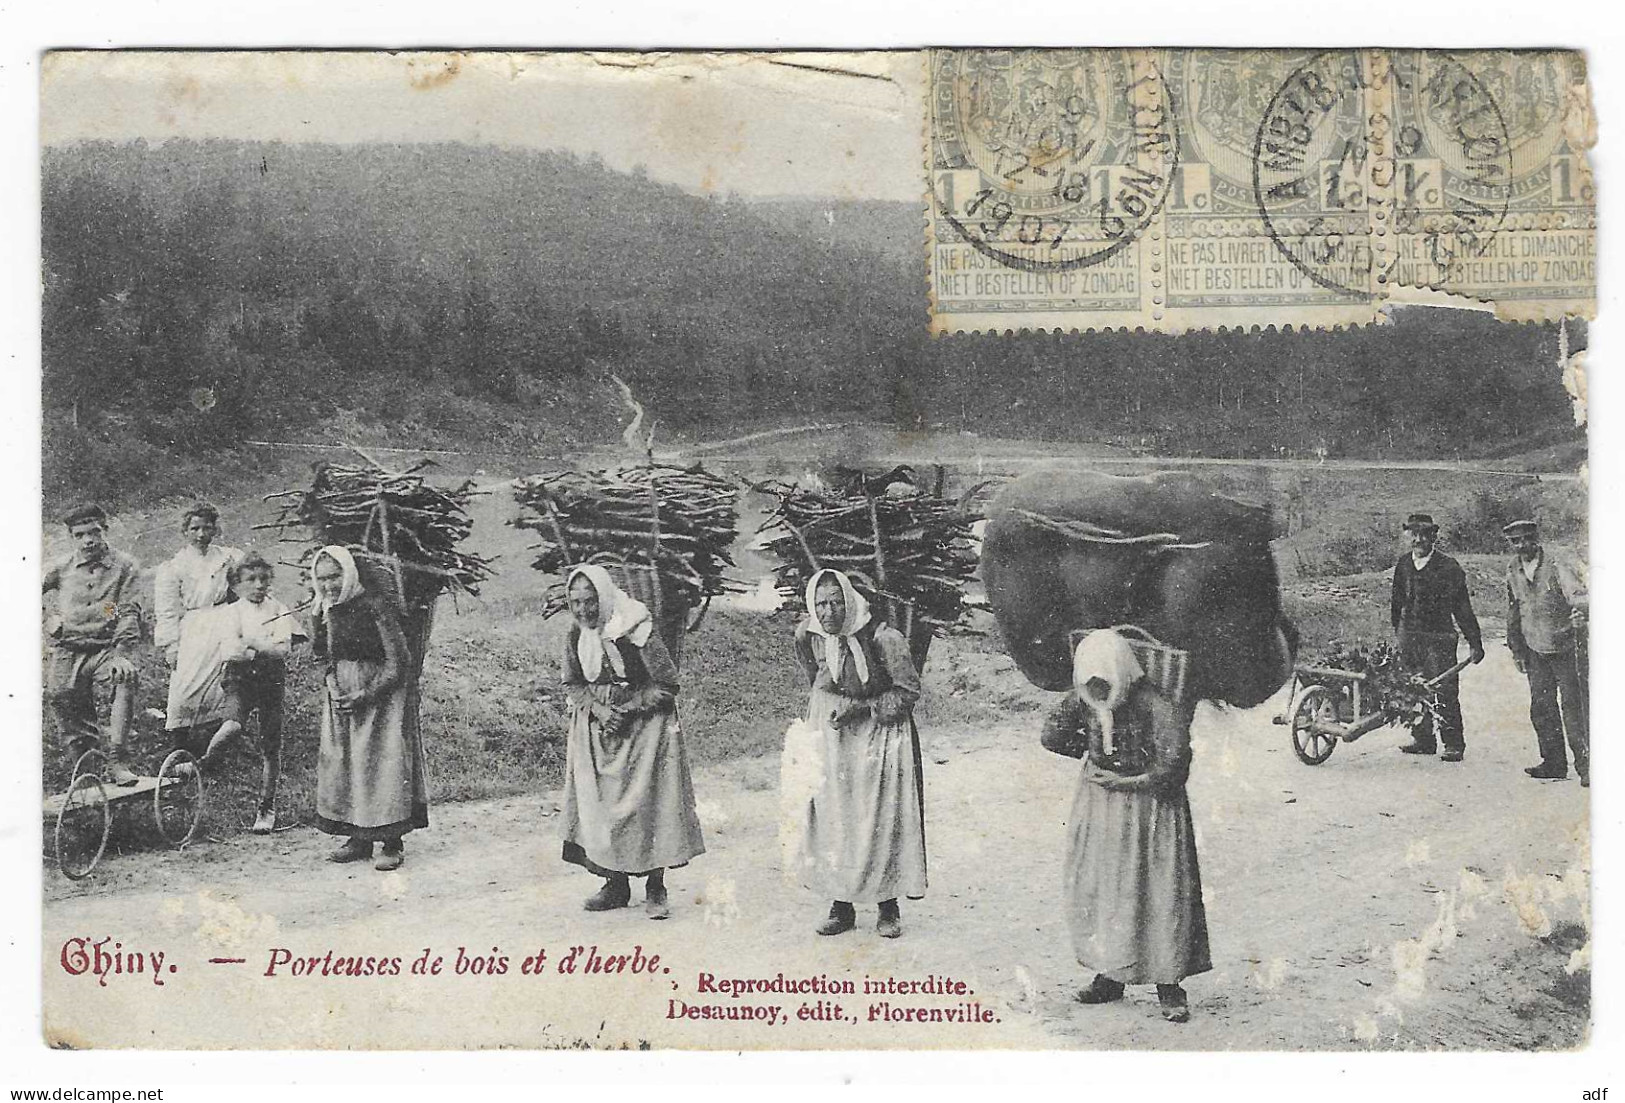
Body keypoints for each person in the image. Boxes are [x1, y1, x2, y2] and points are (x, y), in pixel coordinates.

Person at [1044, 628, 1210, 1024]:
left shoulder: (1155, 704)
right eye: (1091, 681)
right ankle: (1110, 974)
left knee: (1155, 890)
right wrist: (1091, 757)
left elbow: (1174, 765)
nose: (1099, 687)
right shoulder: (1085, 696)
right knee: (1107, 889)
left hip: (1150, 809)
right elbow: (1052, 735)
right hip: (1101, 806)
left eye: (1105, 680)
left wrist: (1129, 780)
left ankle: (1168, 983)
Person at [558, 564, 704, 919]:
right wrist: (599, 710)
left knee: (649, 804)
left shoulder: (637, 628)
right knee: (602, 806)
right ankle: (615, 884)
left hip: (646, 727)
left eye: (590, 601)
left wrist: (629, 707)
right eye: (575, 602)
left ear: (603, 598)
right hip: (598, 727)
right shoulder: (576, 635)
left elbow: (667, 684)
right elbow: (573, 683)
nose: (582, 610)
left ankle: (655, 885)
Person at [792, 568, 926, 939]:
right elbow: (814, 677)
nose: (829, 612)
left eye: (837, 602)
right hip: (833, 733)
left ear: (849, 601)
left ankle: (887, 905)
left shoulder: (884, 638)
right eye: (821, 604)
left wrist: (862, 708)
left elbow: (908, 692)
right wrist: (829, 706)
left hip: (878, 733)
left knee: (879, 818)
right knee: (836, 817)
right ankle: (842, 904)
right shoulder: (810, 635)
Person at [311, 546, 427, 871]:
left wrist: (367, 693)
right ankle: (358, 838)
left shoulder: (375, 607)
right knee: (348, 764)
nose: (329, 585)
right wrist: (333, 685)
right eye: (322, 579)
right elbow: (322, 656)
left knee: (382, 765)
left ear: (349, 574)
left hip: (382, 698)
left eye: (335, 576)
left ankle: (392, 841)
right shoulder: (325, 609)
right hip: (344, 696)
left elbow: (398, 662)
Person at [42, 504, 144, 786]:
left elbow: (127, 610)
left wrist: (122, 653)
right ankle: (87, 768)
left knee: (124, 678)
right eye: (80, 535)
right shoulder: (60, 568)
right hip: (68, 647)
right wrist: (48, 617)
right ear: (71, 537)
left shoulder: (124, 566)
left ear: (105, 531)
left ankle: (116, 760)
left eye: (94, 532)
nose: (88, 540)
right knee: (61, 695)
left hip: (105, 648)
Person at [210, 553, 303, 832]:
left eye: (263, 579)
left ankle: (266, 807)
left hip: (271, 679)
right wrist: (262, 645)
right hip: (239, 678)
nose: (258, 585)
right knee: (232, 726)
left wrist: (250, 642)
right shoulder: (231, 612)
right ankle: (206, 762)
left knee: (271, 746)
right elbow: (231, 652)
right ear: (237, 585)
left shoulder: (278, 610)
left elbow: (283, 649)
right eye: (250, 580)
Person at [1390, 512, 1484, 762]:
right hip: (1409, 636)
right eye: (1414, 534)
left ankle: (1453, 743)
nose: (1418, 539)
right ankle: (1423, 739)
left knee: (1443, 689)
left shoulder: (1448, 567)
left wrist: (1475, 643)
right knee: (1412, 688)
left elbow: (1462, 608)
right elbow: (1396, 602)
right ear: (1408, 535)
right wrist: (1397, 632)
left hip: (1439, 637)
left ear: (1434, 536)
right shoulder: (1403, 564)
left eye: (1424, 534)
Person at [1503, 520, 1589, 786]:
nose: (1522, 545)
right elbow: (1514, 611)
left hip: (1565, 646)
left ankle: (1588, 767)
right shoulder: (1513, 570)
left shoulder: (1556, 564)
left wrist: (1580, 616)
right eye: (1516, 541)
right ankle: (1553, 763)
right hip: (1534, 648)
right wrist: (1517, 649)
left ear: (1536, 538)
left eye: (1527, 539)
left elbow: (1579, 597)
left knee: (1575, 708)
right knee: (1541, 706)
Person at [154, 503, 243, 755]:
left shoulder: (228, 557)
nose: (201, 534)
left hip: (224, 620)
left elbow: (246, 585)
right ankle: (179, 743)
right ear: (185, 531)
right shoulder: (175, 566)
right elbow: (167, 609)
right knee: (185, 682)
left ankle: (216, 741)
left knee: (222, 681)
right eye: (195, 528)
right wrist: (170, 645)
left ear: (215, 528)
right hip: (194, 626)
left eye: (207, 528)